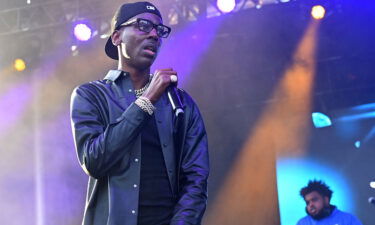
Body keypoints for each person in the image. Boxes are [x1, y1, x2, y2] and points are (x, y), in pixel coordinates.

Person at [70, 2, 209, 225]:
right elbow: (94, 160)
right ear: (116, 37)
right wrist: (146, 101)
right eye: (143, 25)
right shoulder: (90, 95)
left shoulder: (180, 103)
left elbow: (196, 179)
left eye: (159, 29)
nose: (154, 34)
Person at [297, 180, 363, 225]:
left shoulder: (348, 219)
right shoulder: (303, 223)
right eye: (307, 202)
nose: (311, 205)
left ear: (326, 200)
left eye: (314, 200)